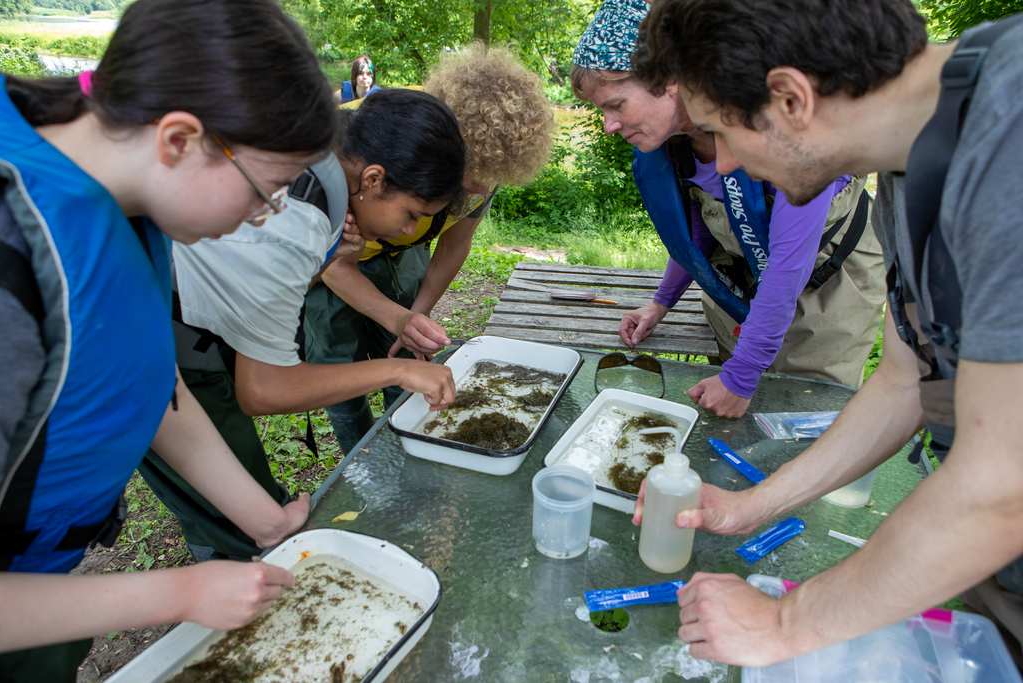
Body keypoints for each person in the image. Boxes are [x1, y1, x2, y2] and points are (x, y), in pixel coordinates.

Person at [630, 0, 1023, 668]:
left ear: (790, 98)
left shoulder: (1006, 136)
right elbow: (902, 380)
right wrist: (753, 505)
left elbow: (1001, 485)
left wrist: (787, 619)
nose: (721, 165)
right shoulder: (919, 151)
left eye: (723, 131)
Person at [0, 0, 337, 679]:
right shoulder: (14, 266)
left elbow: (152, 384)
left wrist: (265, 524)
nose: (261, 219)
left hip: (50, 578)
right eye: (265, 191)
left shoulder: (128, 199)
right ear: (179, 139)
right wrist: (177, 590)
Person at [141, 89, 466, 562]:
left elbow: (269, 289)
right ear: (373, 178)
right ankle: (223, 571)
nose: (404, 233)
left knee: (240, 500)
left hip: (186, 336)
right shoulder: (302, 215)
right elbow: (264, 390)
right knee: (237, 519)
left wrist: (334, 252)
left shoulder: (322, 158)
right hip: (163, 348)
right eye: (411, 214)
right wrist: (397, 372)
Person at [571, 0, 886, 418]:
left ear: (669, 78)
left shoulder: (789, 125)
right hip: (740, 290)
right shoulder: (675, 138)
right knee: (733, 424)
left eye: (616, 104)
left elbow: (787, 267)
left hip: (826, 286)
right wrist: (662, 302)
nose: (609, 125)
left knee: (806, 414)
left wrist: (742, 375)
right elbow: (696, 233)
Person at [305, 43, 556, 455]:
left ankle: (402, 443)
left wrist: (414, 315)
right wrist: (395, 315)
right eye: (470, 168)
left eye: (494, 176)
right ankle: (359, 458)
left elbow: (457, 242)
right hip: (338, 264)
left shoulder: (481, 184)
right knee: (337, 361)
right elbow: (331, 261)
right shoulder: (386, 155)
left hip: (401, 259)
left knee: (407, 358)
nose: (479, 186)